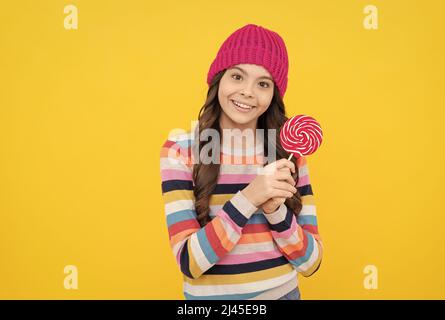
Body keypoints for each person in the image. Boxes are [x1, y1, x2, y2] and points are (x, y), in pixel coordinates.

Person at [160, 24, 323, 300]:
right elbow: (190, 263)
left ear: (274, 94)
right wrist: (250, 197)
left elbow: (311, 262)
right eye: (237, 76)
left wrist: (275, 211)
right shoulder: (181, 150)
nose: (248, 92)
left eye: (263, 83)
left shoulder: (288, 154)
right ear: (218, 80)